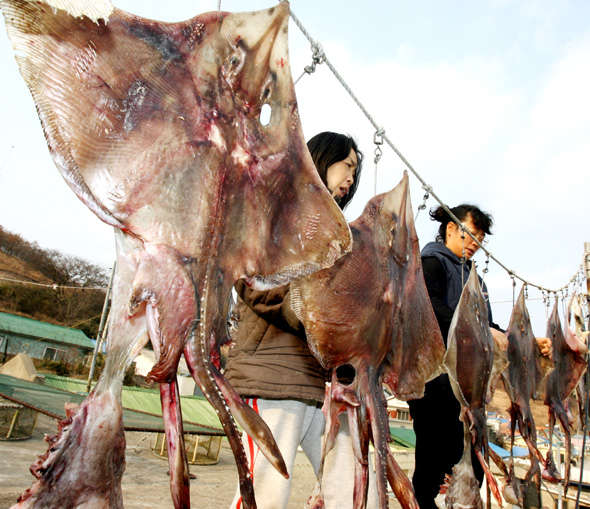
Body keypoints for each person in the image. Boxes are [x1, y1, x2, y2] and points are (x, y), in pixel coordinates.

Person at [224, 132, 371, 509]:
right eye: (348, 165)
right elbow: (251, 281)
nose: (352, 177)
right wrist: (310, 313)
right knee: (266, 496)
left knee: (357, 491)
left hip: (319, 388)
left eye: (357, 170)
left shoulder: (337, 230)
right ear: (323, 157)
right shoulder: (280, 208)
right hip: (273, 380)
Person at [408, 204, 552, 509]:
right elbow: (430, 308)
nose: (476, 243)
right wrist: (481, 329)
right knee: (432, 470)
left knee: (474, 470)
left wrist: (528, 343)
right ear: (450, 228)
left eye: (481, 239)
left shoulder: (475, 279)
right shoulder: (432, 263)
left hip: (470, 390)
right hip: (436, 386)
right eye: (472, 234)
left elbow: (491, 327)